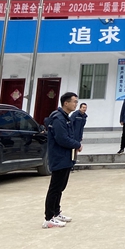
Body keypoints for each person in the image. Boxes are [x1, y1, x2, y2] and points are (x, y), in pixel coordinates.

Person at [42, 92, 82, 229]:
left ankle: (56, 212)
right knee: (55, 188)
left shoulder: (66, 118)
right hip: (59, 157)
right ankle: (48, 218)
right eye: (74, 101)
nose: (76, 104)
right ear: (66, 103)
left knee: (60, 187)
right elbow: (62, 139)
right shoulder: (58, 119)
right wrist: (77, 144)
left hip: (65, 157)